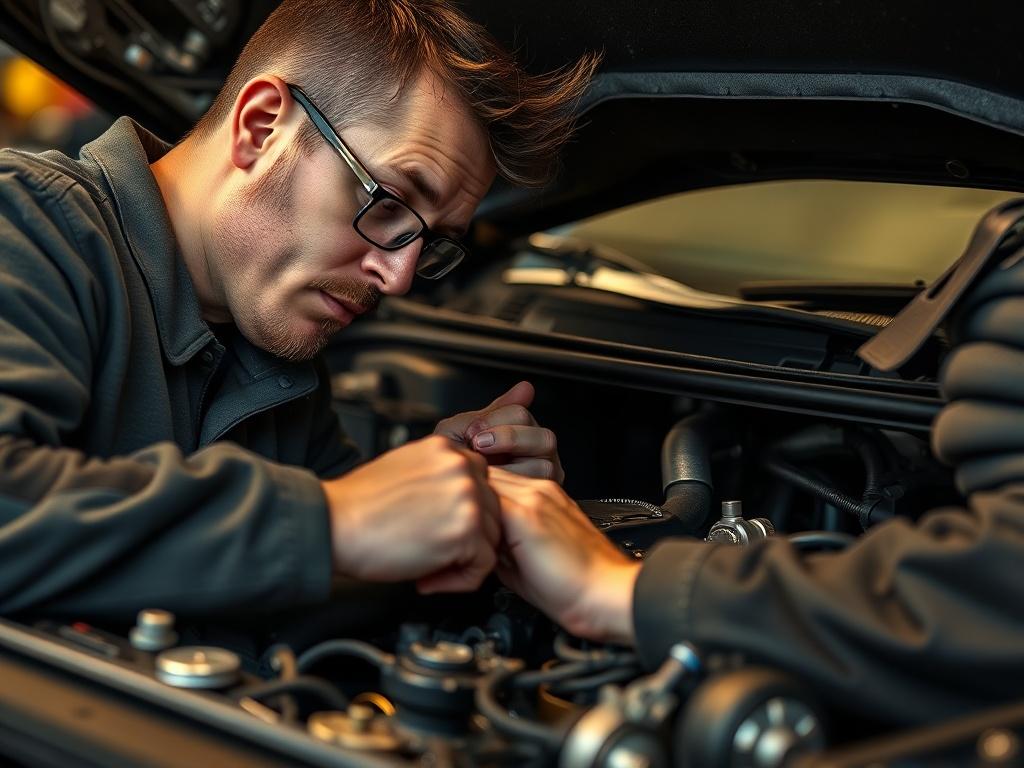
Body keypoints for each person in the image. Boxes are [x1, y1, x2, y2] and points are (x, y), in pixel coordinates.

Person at [0, 0, 597, 620]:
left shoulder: (280, 361)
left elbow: (324, 589)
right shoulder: (28, 226)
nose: (396, 278)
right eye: (389, 203)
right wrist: (336, 520)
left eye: (431, 244)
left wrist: (467, 507)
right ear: (261, 128)